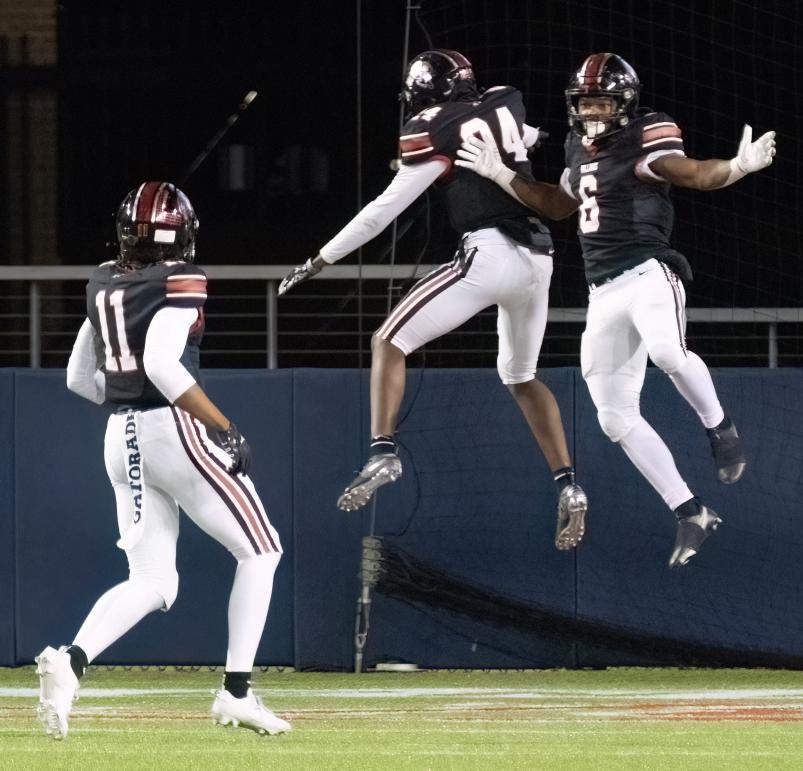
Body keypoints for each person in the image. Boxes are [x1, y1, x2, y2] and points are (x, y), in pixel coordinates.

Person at [455, 53, 776, 568]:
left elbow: (692, 173)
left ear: (625, 103)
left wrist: (735, 168)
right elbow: (557, 205)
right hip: (602, 292)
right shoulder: (576, 145)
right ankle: (691, 512)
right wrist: (498, 173)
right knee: (612, 416)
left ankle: (721, 430)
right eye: (585, 103)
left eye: (602, 101)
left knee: (669, 352)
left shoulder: (646, 134)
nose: (592, 112)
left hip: (649, 271)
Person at [278, 49, 588, 550]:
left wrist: (319, 259)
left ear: (424, 95)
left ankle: (383, 450)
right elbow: (519, 135)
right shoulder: (506, 98)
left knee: (388, 341)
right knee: (521, 377)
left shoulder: (433, 129)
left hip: (489, 254)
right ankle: (568, 482)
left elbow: (382, 212)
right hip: (540, 261)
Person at [35, 182, 290, 739]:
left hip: (118, 434)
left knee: (153, 580)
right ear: (184, 233)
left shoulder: (105, 283)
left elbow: (80, 379)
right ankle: (236, 692)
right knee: (262, 550)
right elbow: (162, 365)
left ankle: (70, 662)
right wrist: (224, 427)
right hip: (172, 426)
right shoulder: (181, 281)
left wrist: (131, 412)